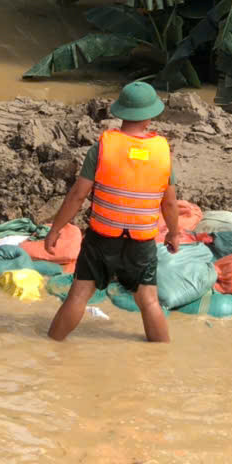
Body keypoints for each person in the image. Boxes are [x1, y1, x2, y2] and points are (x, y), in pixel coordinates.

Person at [46, 81, 180, 343]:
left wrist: (56, 229)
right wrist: (174, 233)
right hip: (141, 243)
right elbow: (170, 204)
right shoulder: (162, 153)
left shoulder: (102, 148)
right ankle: (161, 358)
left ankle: (49, 346)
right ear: (150, 115)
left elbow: (78, 195)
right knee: (149, 301)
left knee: (79, 295)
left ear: (121, 113)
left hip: (102, 240)